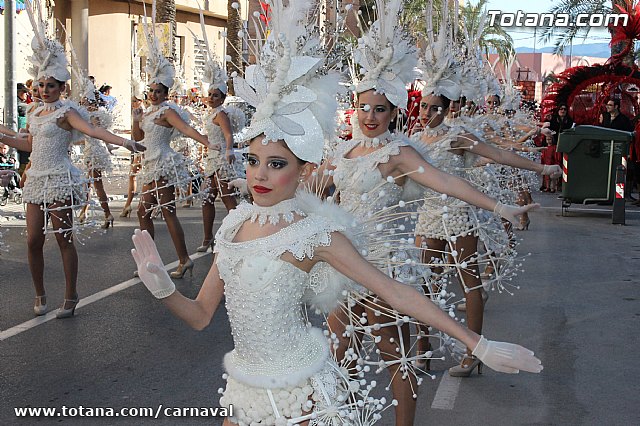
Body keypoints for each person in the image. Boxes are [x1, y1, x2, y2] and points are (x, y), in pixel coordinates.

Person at [131, 5, 542, 423]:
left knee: (391, 348)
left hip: (308, 377)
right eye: (253, 161)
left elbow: (403, 282)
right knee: (341, 345)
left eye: (276, 164)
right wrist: (163, 288)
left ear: (301, 168)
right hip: (244, 391)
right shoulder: (238, 222)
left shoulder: (322, 229)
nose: (259, 174)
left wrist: (478, 343)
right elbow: (202, 315)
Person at [314, 3, 539, 424]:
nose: (370, 117)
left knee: (392, 350)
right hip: (343, 264)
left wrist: (500, 206)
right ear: (354, 108)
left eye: (380, 109)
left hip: (383, 263)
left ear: (394, 112)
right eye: (364, 107)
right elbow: (316, 189)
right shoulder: (343, 151)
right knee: (337, 349)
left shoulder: (398, 153)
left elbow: (447, 183)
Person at [2, 3, 145, 318]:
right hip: (36, 179)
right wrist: (3, 136)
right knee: (32, 240)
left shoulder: (67, 112)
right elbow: (25, 141)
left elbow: (93, 130)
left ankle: (70, 295)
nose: (44, 90)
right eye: (41, 85)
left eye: (50, 86)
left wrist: (126, 142)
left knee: (64, 239)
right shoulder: (35, 112)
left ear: (61, 87)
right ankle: (39, 293)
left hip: (60, 179)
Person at [133, 8, 213, 279]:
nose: (154, 94)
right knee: (144, 213)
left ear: (167, 93)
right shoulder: (147, 112)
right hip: (148, 165)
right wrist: (135, 121)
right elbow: (137, 140)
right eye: (151, 90)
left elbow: (187, 129)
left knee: (167, 213)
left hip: (163, 165)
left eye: (159, 91)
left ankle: (183, 259)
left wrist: (206, 141)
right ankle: (150, 261)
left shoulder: (167, 111)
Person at [195, 27, 238, 252]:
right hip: (211, 162)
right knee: (206, 198)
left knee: (227, 199)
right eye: (209, 94)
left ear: (223, 97)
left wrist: (229, 152)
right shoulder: (209, 113)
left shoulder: (221, 113)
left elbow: (229, 134)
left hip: (221, 161)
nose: (211, 98)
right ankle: (207, 238)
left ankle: (239, 235)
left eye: (216, 95)